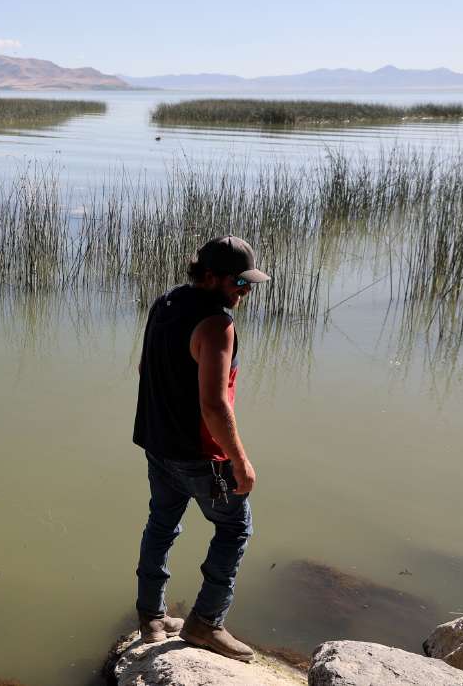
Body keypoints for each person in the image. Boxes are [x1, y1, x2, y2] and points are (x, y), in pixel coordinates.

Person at [130, 235, 270, 662]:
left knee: (162, 523)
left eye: (249, 285)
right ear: (211, 277)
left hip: (157, 445)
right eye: (238, 284)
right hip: (200, 458)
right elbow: (214, 404)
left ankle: (152, 618)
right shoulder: (216, 325)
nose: (244, 292)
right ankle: (205, 624)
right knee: (233, 528)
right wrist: (240, 461)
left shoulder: (166, 302)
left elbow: (144, 368)